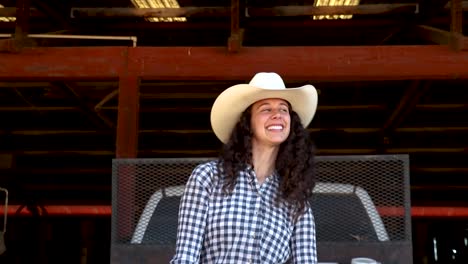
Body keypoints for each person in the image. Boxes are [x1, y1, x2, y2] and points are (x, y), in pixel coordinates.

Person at [170, 72, 319, 264]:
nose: (277, 115)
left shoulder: (295, 199)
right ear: (247, 122)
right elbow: (185, 257)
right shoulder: (207, 177)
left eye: (284, 109)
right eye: (266, 109)